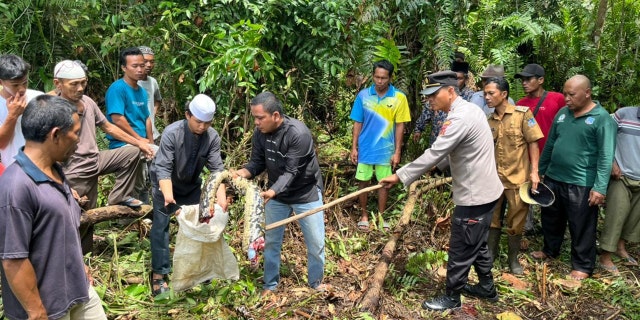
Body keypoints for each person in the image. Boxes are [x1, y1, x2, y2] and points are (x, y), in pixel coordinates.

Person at [380, 71, 503, 311]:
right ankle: (487, 287)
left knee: (461, 245)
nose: (430, 101)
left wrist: (400, 175)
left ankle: (452, 296)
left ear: (450, 91)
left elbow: (435, 152)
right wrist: (437, 168)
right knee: (476, 242)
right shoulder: (469, 110)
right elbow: (457, 150)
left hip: (475, 195)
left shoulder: (459, 118)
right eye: (427, 97)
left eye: (433, 95)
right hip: (485, 191)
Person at [0, 95, 107, 319]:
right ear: (55, 134)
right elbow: (13, 259)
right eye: (76, 133)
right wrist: (36, 311)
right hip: (47, 306)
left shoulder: (56, 171)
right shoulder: (16, 187)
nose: (79, 140)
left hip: (79, 291)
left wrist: (79, 266)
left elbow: (61, 227)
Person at [52, 60, 154, 253]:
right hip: (74, 169)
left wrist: (139, 142)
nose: (80, 88)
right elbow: (48, 149)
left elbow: (108, 127)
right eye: (74, 84)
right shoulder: (54, 109)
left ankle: (120, 196)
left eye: (83, 82)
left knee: (132, 152)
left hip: (96, 159)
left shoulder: (88, 102)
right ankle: (79, 259)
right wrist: (61, 181)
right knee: (82, 217)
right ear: (58, 84)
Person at [233, 91, 328, 296]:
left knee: (315, 242)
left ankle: (316, 282)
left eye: (260, 118)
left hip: (305, 193)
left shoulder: (298, 134)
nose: (256, 123)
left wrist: (272, 191)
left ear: (275, 116)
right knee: (271, 242)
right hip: (276, 195)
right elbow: (257, 163)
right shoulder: (260, 133)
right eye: (254, 118)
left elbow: (292, 172)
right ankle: (270, 285)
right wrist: (240, 174)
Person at [531, 75, 616, 280]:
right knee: (551, 218)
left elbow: (606, 155)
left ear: (587, 93)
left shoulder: (602, 119)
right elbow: (550, 143)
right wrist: (540, 170)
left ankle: (583, 266)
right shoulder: (562, 114)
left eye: (571, 94)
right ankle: (550, 250)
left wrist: (600, 187)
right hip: (554, 177)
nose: (566, 98)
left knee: (582, 225)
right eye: (565, 93)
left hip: (581, 182)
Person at [149, 94, 227, 296]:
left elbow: (217, 170)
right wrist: (168, 196)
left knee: (201, 223)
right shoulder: (172, 133)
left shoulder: (212, 137)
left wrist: (221, 198)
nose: (202, 127)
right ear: (187, 115)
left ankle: (199, 269)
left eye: (207, 123)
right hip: (165, 184)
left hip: (191, 186)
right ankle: (159, 274)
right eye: (198, 122)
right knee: (161, 226)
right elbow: (163, 168)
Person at [485, 77, 543, 274]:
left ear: (504, 94)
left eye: (491, 93)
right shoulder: (489, 120)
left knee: (516, 220)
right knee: (493, 218)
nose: (487, 97)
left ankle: (513, 259)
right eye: (485, 93)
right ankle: (490, 256)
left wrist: (534, 172)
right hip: (494, 180)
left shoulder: (522, 115)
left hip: (517, 178)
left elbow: (533, 142)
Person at [350, 60, 411, 231]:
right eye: (377, 77)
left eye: (384, 78)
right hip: (366, 148)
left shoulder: (399, 98)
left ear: (390, 78)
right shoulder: (363, 96)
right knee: (363, 182)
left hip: (385, 150)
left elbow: (400, 126)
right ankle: (364, 215)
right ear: (372, 76)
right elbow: (357, 122)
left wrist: (397, 151)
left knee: (384, 183)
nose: (379, 81)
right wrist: (354, 147)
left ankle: (381, 216)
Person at [598, 106, 640, 274]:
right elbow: (604, 136)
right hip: (620, 175)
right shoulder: (623, 114)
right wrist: (611, 162)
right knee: (616, 214)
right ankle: (605, 256)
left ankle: (620, 247)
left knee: (634, 217)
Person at [0, 54, 43, 166]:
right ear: (1, 82)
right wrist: (13, 115)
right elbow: (1, 144)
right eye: (15, 85)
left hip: (42, 166)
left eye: (25, 83)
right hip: (13, 168)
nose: (22, 89)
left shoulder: (38, 98)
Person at [138, 46, 162, 142]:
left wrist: (153, 113)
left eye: (151, 62)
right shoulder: (132, 83)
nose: (149, 65)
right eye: (145, 61)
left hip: (153, 134)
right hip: (138, 137)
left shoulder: (153, 82)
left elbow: (158, 99)